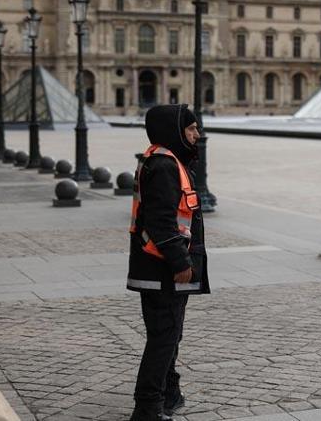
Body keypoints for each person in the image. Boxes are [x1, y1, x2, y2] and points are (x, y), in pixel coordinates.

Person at [128, 104, 210, 421]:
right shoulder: (164, 166)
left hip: (159, 268)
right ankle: (147, 408)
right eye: (191, 128)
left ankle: (168, 394)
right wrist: (181, 263)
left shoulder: (164, 160)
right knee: (163, 339)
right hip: (163, 270)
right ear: (174, 130)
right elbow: (161, 222)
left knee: (169, 336)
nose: (197, 135)